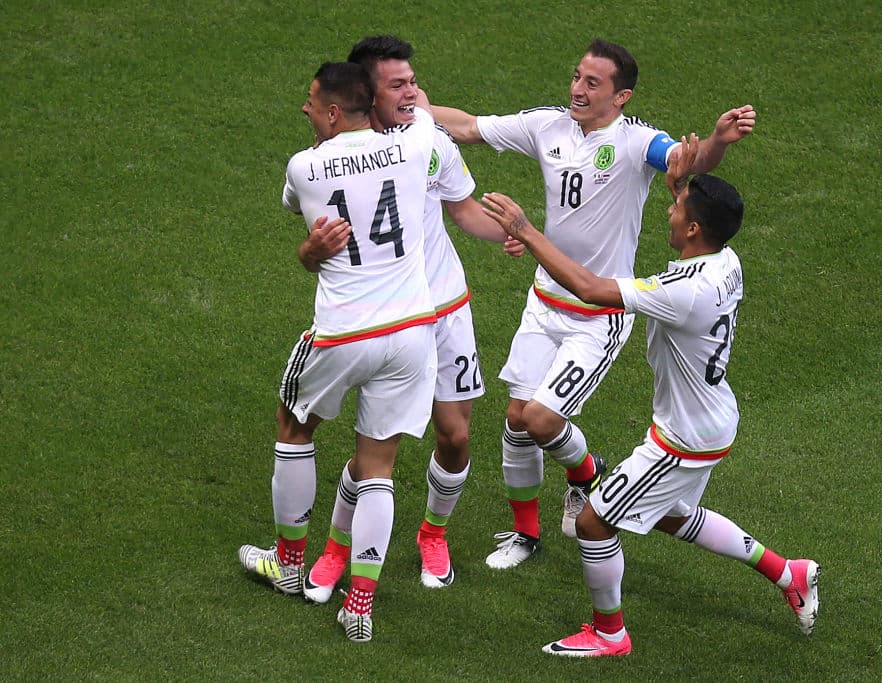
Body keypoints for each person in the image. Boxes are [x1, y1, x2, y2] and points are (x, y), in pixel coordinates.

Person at [479, 140, 820, 657]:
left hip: (682, 438)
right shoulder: (726, 260)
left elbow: (591, 290)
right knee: (673, 515)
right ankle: (787, 572)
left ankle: (609, 634)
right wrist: (682, 186)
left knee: (594, 522)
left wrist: (526, 232)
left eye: (677, 209)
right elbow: (685, 241)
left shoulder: (686, 291)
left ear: (693, 231)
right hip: (712, 419)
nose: (668, 208)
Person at [433, 38, 757, 569]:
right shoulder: (547, 126)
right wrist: (412, 111)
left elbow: (684, 161)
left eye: (592, 83)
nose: (577, 89)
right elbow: (468, 126)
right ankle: (526, 534)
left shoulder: (635, 143)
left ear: (621, 96)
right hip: (544, 300)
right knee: (515, 420)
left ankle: (586, 474)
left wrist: (718, 142)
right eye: (577, 77)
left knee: (539, 419)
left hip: (597, 317)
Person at [299, 36, 524, 602]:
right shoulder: (349, 156)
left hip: (446, 309)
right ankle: (335, 550)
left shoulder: (428, 139)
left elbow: (464, 208)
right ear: (365, 93)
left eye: (412, 80)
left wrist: (515, 233)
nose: (415, 92)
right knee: (377, 447)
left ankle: (433, 533)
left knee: (454, 434)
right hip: (394, 318)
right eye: (398, 84)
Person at [238, 60, 439, 643]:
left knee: (293, 424)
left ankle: (289, 563)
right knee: (377, 468)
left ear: (332, 110)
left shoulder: (304, 166)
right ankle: (359, 603)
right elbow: (418, 109)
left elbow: (304, 220)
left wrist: (311, 246)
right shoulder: (416, 140)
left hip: (343, 333)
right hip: (411, 333)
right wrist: (408, 96)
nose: (304, 109)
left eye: (310, 101)